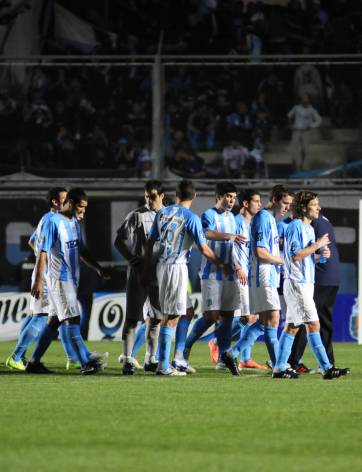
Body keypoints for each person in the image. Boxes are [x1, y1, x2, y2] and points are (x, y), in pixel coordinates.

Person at [143, 180, 229, 376]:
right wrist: (222, 264)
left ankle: (178, 359)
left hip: (161, 267)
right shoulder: (191, 217)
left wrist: (147, 270)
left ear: (176, 194)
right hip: (176, 268)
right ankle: (164, 366)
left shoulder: (162, 213)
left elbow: (150, 242)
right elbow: (204, 249)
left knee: (187, 312)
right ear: (195, 196)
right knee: (171, 317)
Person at [26, 188, 109, 375]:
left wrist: (97, 267)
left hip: (71, 279)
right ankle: (85, 363)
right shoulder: (53, 222)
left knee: (54, 322)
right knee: (73, 319)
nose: (83, 211)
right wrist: (38, 281)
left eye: (85, 208)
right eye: (81, 207)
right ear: (70, 203)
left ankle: (34, 362)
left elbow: (81, 249)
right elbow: (42, 253)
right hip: (59, 279)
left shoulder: (74, 223)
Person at [273, 191, 349, 379]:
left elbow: (304, 257)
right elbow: (295, 255)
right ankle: (326, 368)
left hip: (306, 282)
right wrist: (317, 245)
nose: (319, 208)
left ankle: (279, 368)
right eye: (315, 204)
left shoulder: (308, 228)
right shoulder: (295, 226)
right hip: (298, 284)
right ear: (304, 207)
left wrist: (319, 256)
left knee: (292, 326)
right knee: (314, 324)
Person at [183, 182, 244, 376]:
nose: (231, 200)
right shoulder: (208, 215)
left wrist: (236, 264)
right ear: (218, 196)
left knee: (227, 316)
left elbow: (231, 246)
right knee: (211, 316)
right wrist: (229, 236)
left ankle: (224, 357)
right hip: (211, 273)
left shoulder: (233, 219)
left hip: (229, 273)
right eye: (228, 196)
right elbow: (206, 233)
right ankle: (185, 348)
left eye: (234, 197)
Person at [5, 187, 67, 371]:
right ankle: (16, 356)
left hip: (43, 273)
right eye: (65, 199)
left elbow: (32, 241)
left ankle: (21, 356)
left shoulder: (46, 219)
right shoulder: (52, 220)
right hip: (45, 275)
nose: (68, 202)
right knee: (41, 316)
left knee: (34, 314)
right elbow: (40, 249)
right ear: (55, 202)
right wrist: (43, 268)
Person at [114, 180, 165, 375]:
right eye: (146, 196)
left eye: (152, 196)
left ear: (162, 196)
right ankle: (127, 359)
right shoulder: (137, 215)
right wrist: (133, 260)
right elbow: (119, 241)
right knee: (133, 318)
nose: (149, 200)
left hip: (160, 273)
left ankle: (150, 359)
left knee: (156, 319)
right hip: (138, 274)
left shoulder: (168, 215)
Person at [247, 185, 294, 368]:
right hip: (263, 274)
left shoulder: (271, 220)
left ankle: (231, 354)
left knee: (264, 321)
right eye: (284, 203)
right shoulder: (264, 219)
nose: (287, 207)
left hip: (268, 275)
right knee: (273, 319)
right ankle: (279, 365)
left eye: (290, 204)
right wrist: (282, 260)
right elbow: (260, 252)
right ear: (274, 199)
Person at [288, 93, 322, 171]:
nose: (305, 99)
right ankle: (297, 166)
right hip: (296, 130)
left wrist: (311, 125)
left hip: (306, 131)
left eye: (306, 98)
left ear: (309, 100)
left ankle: (305, 167)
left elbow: (319, 120)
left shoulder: (312, 110)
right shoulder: (296, 108)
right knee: (295, 149)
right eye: (303, 98)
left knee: (306, 150)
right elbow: (289, 116)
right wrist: (290, 125)